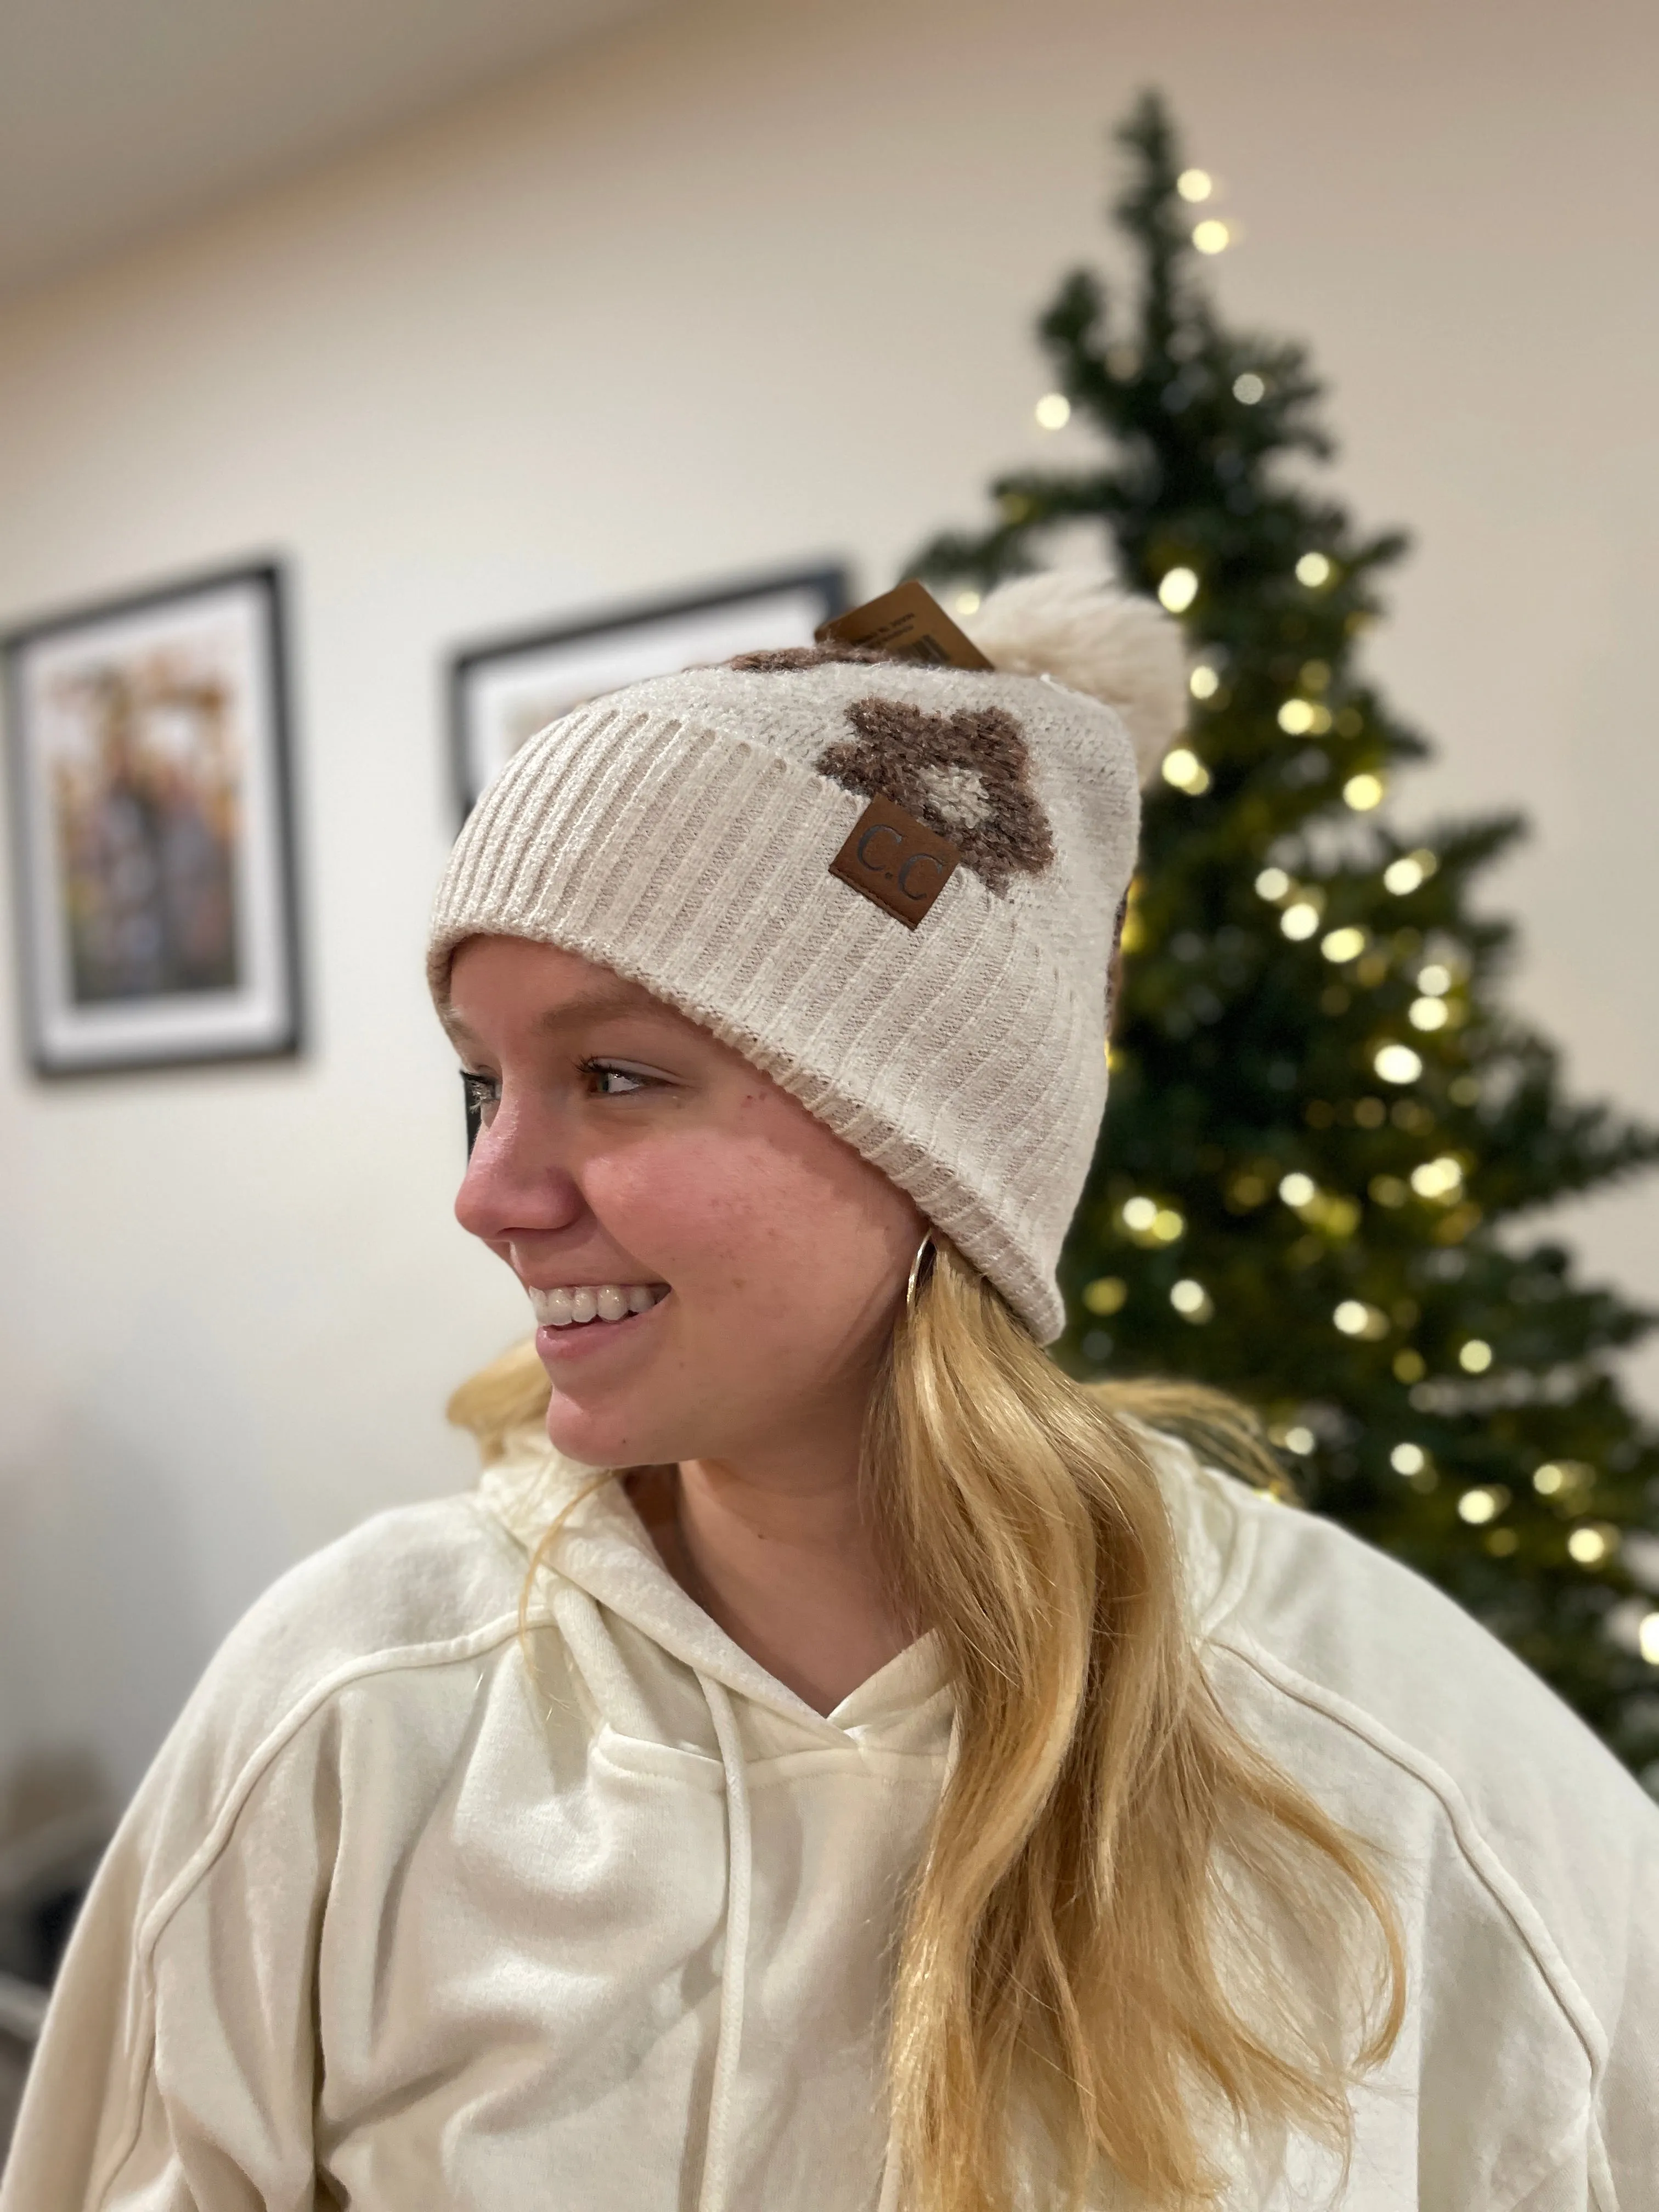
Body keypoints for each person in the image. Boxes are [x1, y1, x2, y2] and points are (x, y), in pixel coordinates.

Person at [5, 574, 1655, 2212]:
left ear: (929, 1154)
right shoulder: (356, 1709)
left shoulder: (1393, 1765)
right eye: (482, 1084)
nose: (491, 1193)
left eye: (618, 1075)